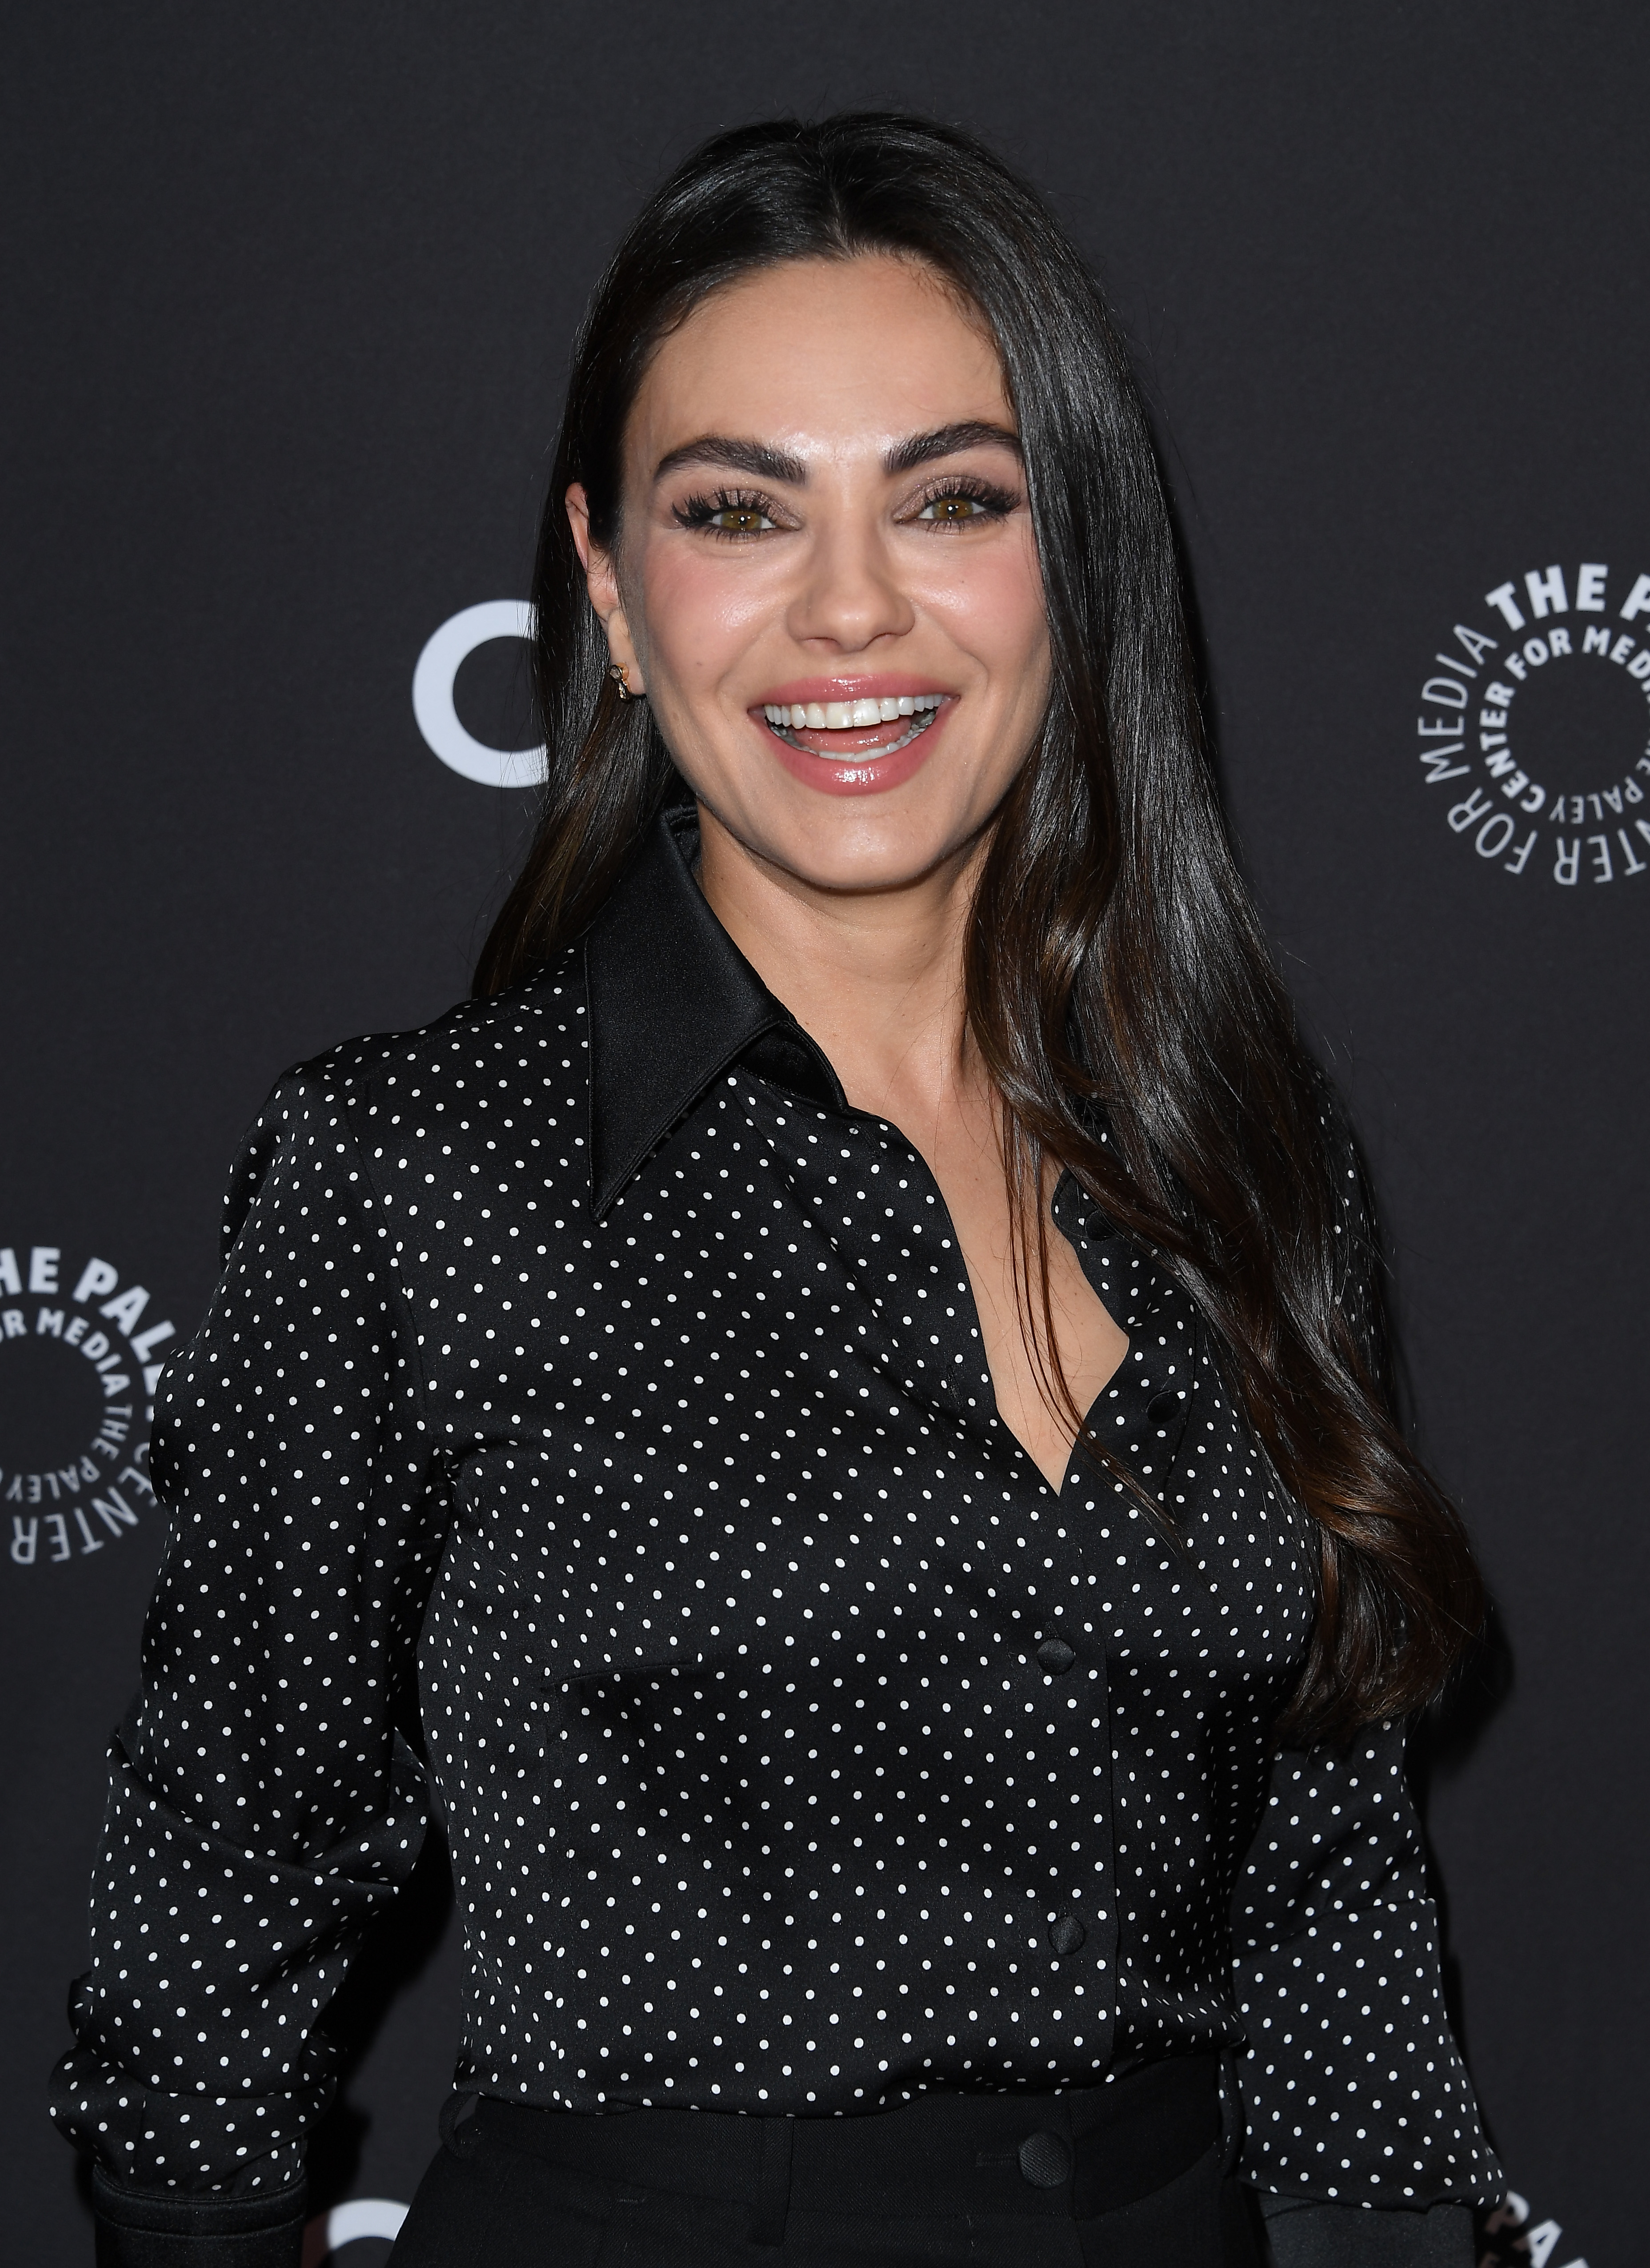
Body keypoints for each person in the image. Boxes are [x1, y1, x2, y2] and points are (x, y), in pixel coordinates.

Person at [52, 113, 1501, 2267]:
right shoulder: (413, 1177)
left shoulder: (1242, 1153)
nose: (847, 603)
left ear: (1068, 564)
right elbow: (209, 1932)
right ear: (616, 594)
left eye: (951, 499)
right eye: (739, 510)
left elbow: (1327, 1877)